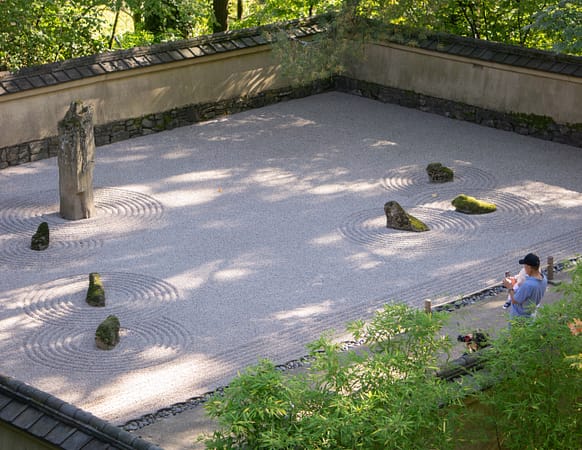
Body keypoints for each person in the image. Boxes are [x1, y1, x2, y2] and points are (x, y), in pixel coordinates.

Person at [502, 253, 547, 320]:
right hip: (532, 312)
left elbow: (514, 300)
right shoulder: (544, 279)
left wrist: (510, 287)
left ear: (529, 267)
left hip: (520, 316)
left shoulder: (528, 285)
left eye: (525, 266)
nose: (524, 269)